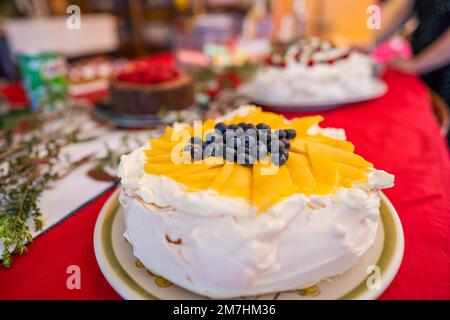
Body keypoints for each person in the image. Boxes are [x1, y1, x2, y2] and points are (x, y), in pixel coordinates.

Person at [369, 0, 450, 107]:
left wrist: (415, 65)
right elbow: (401, 11)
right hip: (421, 56)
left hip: (442, 69)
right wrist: (370, 44)